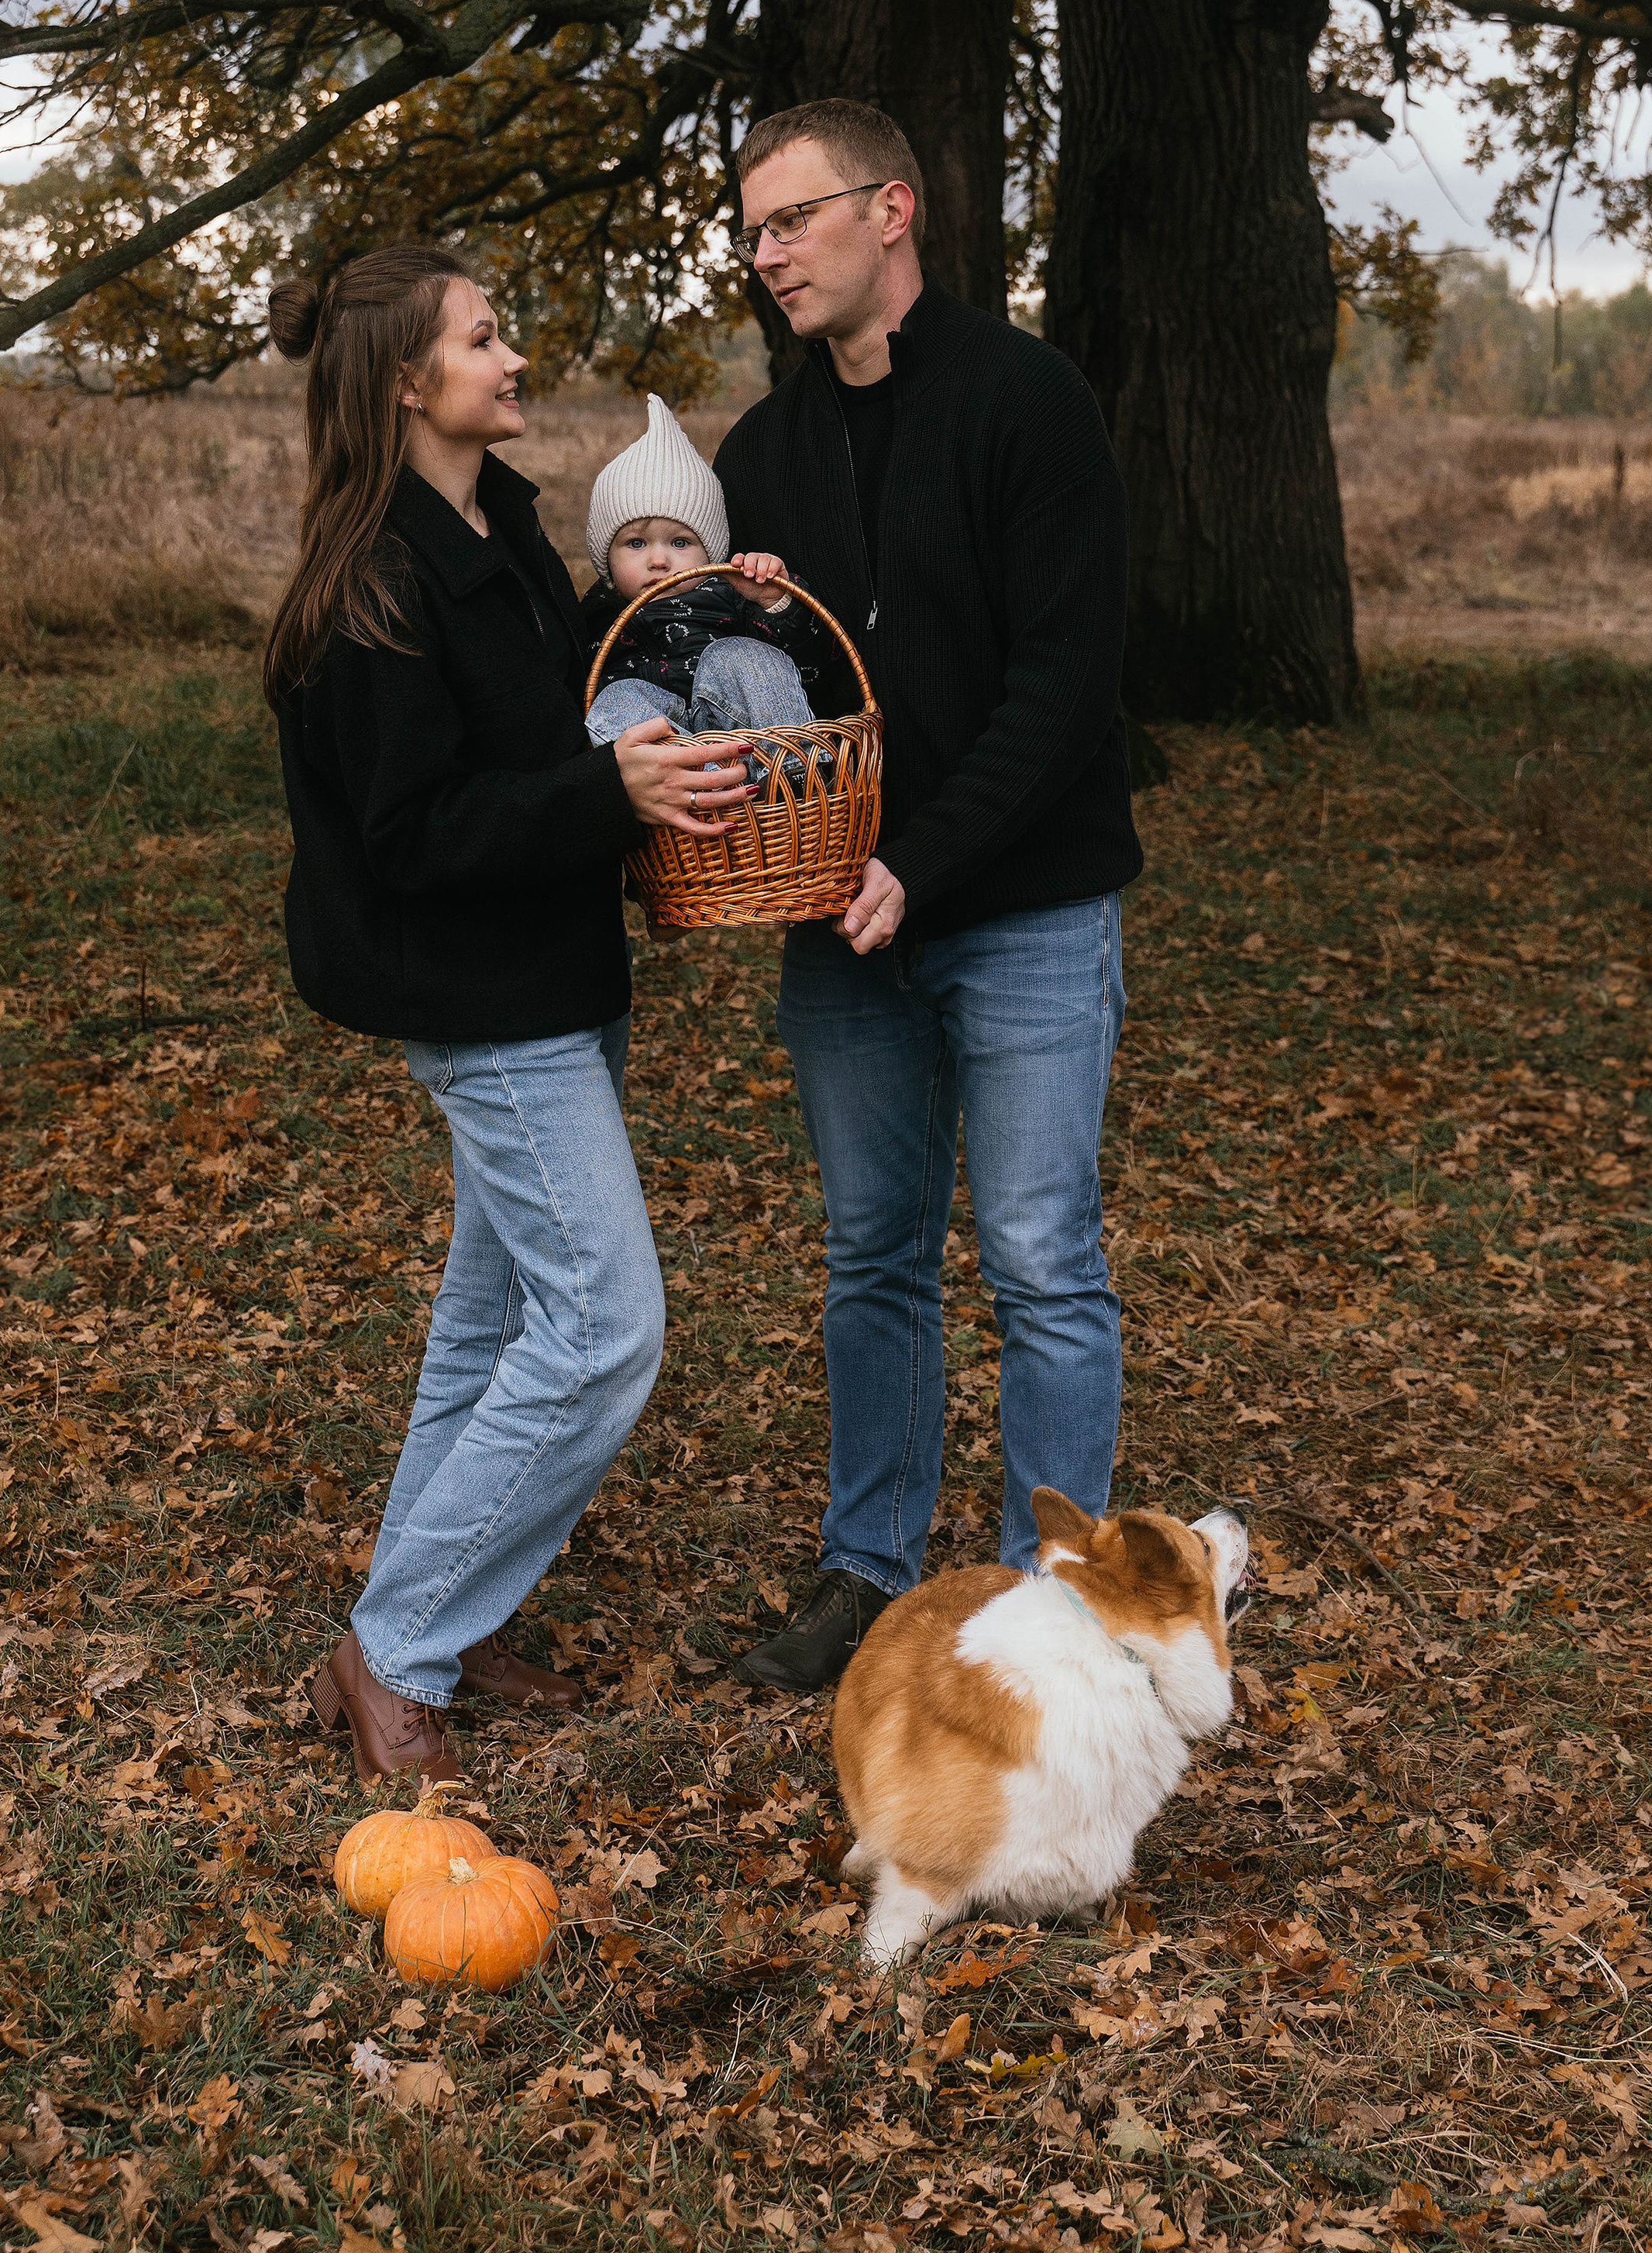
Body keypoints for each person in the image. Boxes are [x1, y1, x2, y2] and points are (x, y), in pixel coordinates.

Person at [265, 243, 755, 1780]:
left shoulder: (502, 525)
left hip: (559, 974)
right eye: (484, 339)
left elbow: (574, 712)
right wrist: (607, 792)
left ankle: (450, 1619)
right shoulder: (376, 586)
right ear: (411, 381)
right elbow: (415, 834)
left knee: (491, 1332)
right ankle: (398, 1647)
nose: (513, 358)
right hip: (483, 1004)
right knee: (604, 1330)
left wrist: (713, 603)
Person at [713, 99, 1144, 1692]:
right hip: (840, 931)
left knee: (1038, 1257)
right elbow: (733, 687)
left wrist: (925, 860)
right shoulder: (762, 454)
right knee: (874, 1255)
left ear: (888, 211)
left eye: (792, 221)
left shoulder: (1027, 401)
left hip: (1023, 907)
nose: (767, 256)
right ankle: (868, 1574)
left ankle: (1058, 1606)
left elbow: (1065, 684)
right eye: (750, 234)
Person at [580, 393, 817, 758]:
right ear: (606, 559)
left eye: (680, 542)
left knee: (740, 655)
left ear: (710, 554)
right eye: (636, 543)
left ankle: (794, 767)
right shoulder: (596, 614)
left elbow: (812, 665)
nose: (659, 561)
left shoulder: (730, 593)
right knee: (616, 698)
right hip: (668, 760)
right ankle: (709, 783)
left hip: (745, 742)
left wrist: (776, 603)